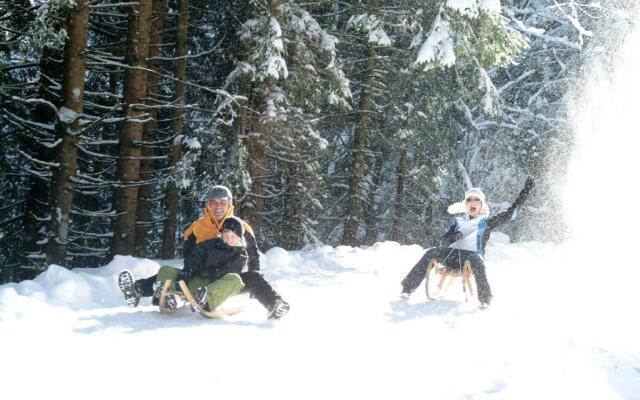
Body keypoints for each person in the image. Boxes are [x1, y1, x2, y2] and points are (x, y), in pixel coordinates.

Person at [118, 185, 290, 320]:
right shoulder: (198, 227)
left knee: (253, 278)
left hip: (227, 277)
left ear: (229, 204)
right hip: (201, 273)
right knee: (170, 273)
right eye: (214, 202)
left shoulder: (242, 227)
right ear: (208, 205)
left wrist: (254, 285)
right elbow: (191, 255)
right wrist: (188, 273)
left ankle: (276, 305)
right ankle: (141, 290)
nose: (218, 206)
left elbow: (253, 255)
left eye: (222, 202)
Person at [400, 177, 534, 307]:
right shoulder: (457, 221)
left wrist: (525, 192)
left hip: (471, 258)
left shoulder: (486, 223)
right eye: (469, 200)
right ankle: (407, 288)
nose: (473, 202)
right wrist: (451, 237)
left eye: (476, 200)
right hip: (452, 256)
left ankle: (485, 298)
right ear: (466, 204)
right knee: (431, 252)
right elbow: (443, 242)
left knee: (475, 259)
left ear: (481, 205)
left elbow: (510, 214)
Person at [155, 216, 247, 313]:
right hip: (196, 280)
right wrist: (188, 271)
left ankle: (206, 300)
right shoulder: (210, 244)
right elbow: (194, 257)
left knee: (235, 279)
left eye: (233, 236)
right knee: (166, 269)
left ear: (239, 238)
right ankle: (168, 296)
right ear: (221, 234)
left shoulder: (241, 254)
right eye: (226, 235)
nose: (229, 239)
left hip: (214, 286)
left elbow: (229, 271)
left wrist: (208, 272)